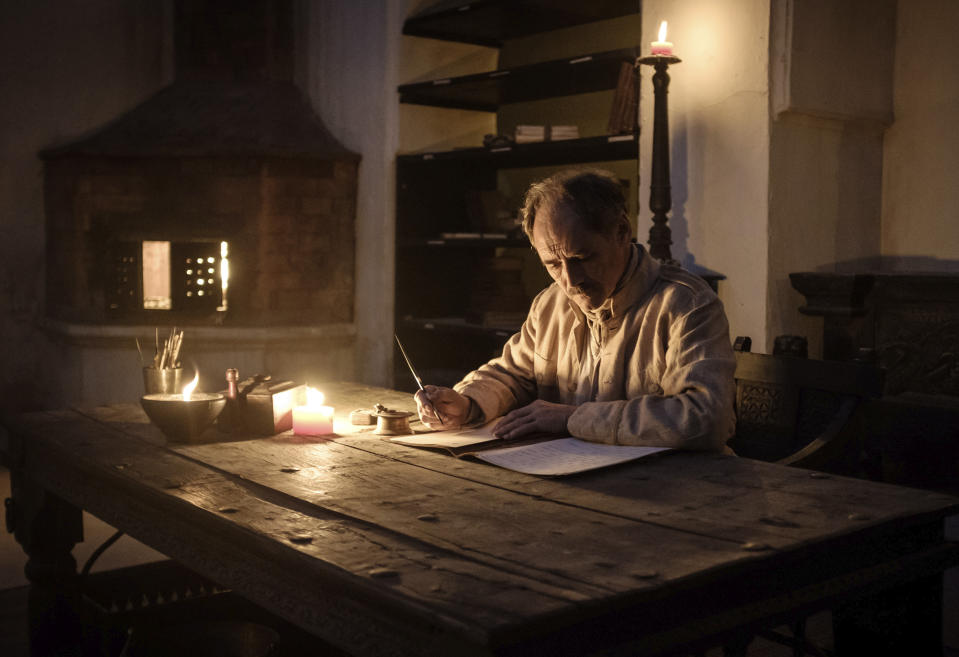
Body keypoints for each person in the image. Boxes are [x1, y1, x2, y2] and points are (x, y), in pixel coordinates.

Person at [414, 169, 736, 451]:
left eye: (582, 258)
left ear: (621, 232)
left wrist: (574, 419)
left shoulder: (685, 304)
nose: (570, 280)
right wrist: (467, 403)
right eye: (553, 264)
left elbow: (707, 418)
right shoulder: (550, 304)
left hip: (675, 491)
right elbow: (512, 374)